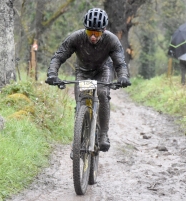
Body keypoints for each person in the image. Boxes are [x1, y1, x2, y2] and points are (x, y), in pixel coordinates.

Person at [45, 8, 131, 153]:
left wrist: (123, 77)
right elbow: (58, 57)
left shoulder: (111, 40)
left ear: (103, 31)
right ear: (85, 29)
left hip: (102, 70)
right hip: (83, 72)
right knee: (81, 100)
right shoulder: (76, 37)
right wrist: (52, 74)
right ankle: (77, 142)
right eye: (90, 32)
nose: (92, 36)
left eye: (96, 33)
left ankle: (103, 135)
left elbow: (120, 63)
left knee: (103, 93)